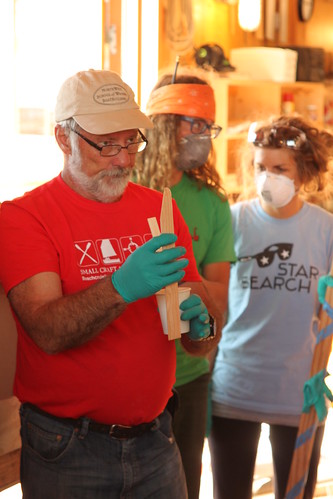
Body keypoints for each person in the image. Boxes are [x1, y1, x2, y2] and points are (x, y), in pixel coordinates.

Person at [0, 69, 222, 499]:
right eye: (106, 144)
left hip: (157, 439)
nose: (123, 159)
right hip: (68, 449)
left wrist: (204, 325)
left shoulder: (159, 208)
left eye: (130, 141)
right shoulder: (23, 218)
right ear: (64, 139)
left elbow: (199, 336)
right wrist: (120, 286)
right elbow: (46, 331)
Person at [209, 115, 333, 499]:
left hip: (298, 389)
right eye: (261, 167)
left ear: (303, 171)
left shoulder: (324, 228)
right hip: (234, 385)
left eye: (280, 168)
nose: (268, 177)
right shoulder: (233, 222)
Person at [134, 72, 236, 499]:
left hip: (189, 377)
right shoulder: (123, 187)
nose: (203, 137)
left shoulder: (212, 204)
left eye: (208, 127)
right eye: (194, 124)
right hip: (129, 373)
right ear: (162, 123)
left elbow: (219, 301)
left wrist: (187, 292)